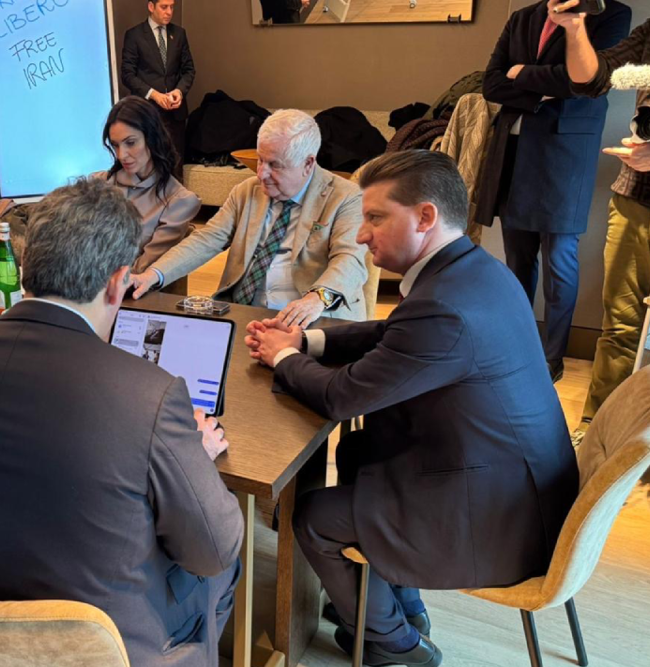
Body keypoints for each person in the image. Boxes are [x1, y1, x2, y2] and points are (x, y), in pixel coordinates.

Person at [245, 151, 577, 667]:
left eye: (376, 218)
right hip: (510, 481)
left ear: (425, 217)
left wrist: (282, 356)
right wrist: (306, 341)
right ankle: (397, 607)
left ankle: (393, 643)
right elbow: (391, 333)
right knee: (358, 449)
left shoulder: (444, 306)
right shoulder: (473, 270)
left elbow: (341, 397)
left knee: (313, 517)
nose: (362, 235)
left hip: (497, 519)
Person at [0, 177, 243, 667]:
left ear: (27, 263)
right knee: (223, 565)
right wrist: (196, 458)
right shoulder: (150, 394)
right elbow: (214, 549)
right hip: (88, 650)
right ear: (118, 281)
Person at [548, 0, 650, 499]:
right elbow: (593, 78)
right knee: (619, 325)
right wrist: (574, 28)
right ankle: (599, 426)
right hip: (635, 195)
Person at [479, 0, 631, 383]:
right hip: (514, 148)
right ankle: (516, 345)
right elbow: (491, 83)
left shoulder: (612, 15)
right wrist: (542, 82)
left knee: (559, 260)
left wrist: (520, 73)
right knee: (517, 258)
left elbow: (585, 83)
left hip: (566, 154)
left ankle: (552, 357)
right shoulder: (522, 16)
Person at [132, 109, 368, 326]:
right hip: (243, 312)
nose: (261, 173)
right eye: (261, 159)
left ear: (307, 164)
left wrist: (318, 298)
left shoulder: (345, 198)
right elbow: (207, 240)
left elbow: (349, 259)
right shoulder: (247, 191)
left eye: (275, 165)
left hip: (308, 319)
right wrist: (152, 274)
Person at [94, 95, 200, 272]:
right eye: (115, 145)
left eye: (130, 143)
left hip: (125, 287)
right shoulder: (97, 184)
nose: (121, 155)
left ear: (152, 138)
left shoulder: (179, 202)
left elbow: (141, 272)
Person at [120, 0, 195, 168]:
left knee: (175, 167)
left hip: (175, 115)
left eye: (172, 7)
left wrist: (179, 91)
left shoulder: (179, 34)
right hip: (147, 113)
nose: (169, 12)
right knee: (149, 167)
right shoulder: (135, 35)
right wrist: (154, 95)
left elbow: (189, 70)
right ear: (151, 6)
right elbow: (127, 75)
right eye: (164, 7)